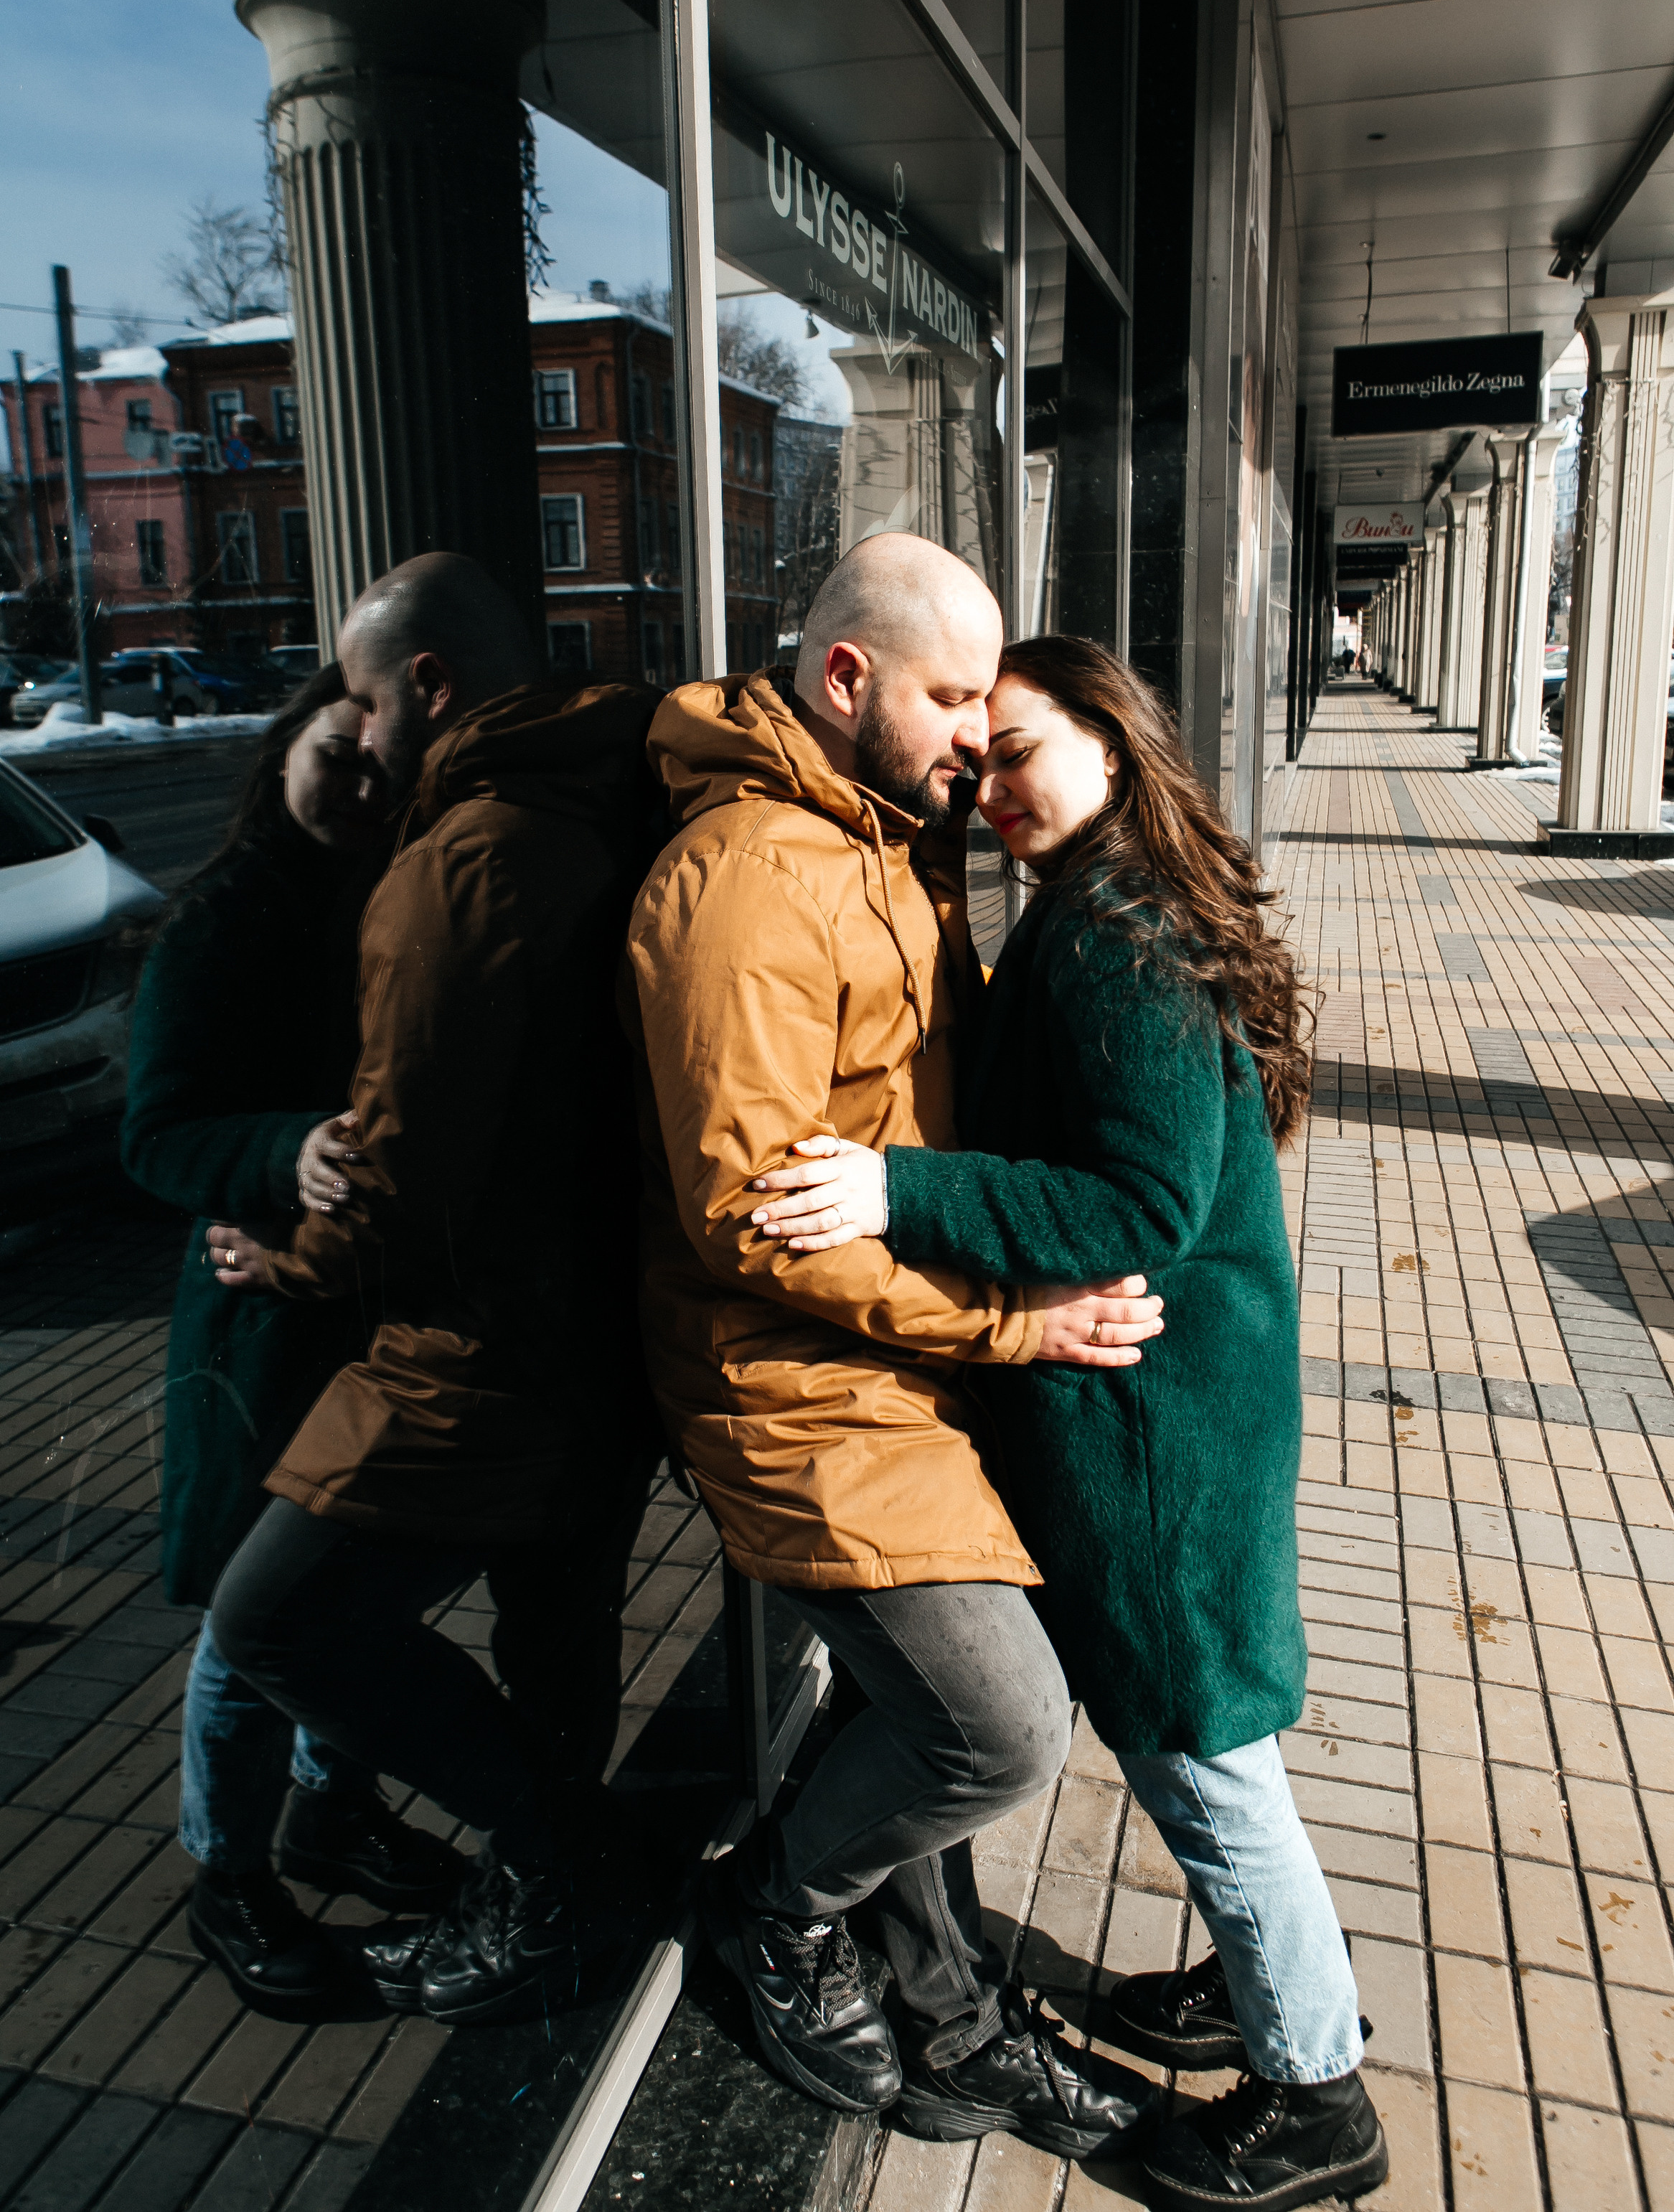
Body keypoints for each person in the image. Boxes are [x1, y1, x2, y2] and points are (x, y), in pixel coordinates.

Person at [748, 634, 1387, 2212]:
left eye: (1020, 745)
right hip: (1175, 1414)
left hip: (1159, 1432)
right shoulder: (1109, 902)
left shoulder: (1115, 935)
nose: (990, 778)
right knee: (1213, 1749)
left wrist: (895, 1182)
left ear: (1112, 740)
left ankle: (1315, 2096)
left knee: (1207, 1766)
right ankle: (1269, 1992)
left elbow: (1139, 1204)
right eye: (978, 750)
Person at [622, 535, 1165, 2157]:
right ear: (844, 676)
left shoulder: (884, 834)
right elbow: (753, 1227)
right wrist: (1013, 1318)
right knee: (998, 1723)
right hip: (793, 1384)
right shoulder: (742, 882)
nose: (971, 738)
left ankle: (948, 2020)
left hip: (896, 1360)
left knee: (913, 1710)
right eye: (947, 697)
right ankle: (775, 1910)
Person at [203, 553, 665, 2026]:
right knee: (554, 1645)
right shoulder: (617, 802)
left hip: (484, 1351)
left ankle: (563, 1860)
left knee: (273, 1616)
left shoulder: (464, 861)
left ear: (431, 687)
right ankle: (545, 1906)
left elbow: (408, 1161)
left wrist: (291, 1258)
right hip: (613, 1340)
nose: (357, 733)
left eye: (362, 697)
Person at [123, 665, 457, 2013]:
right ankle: (228, 1872)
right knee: (248, 1627)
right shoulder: (216, 921)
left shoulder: (396, 899)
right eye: (337, 754)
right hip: (258, 1329)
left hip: (358, 1313)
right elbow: (155, 1137)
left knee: (336, 1599)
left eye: (382, 767)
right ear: (281, 757)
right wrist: (282, 1157)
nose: (360, 785)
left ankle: (330, 1811)